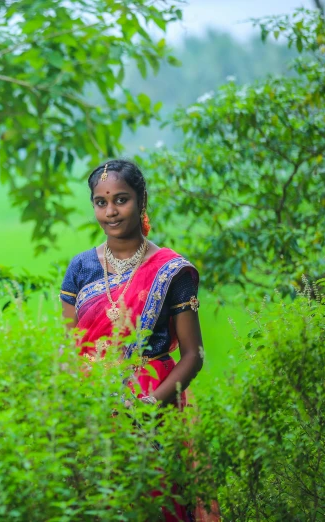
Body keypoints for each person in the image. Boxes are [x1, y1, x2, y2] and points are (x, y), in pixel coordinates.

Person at [60, 160, 217, 521]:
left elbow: (193, 354)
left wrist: (148, 407)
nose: (110, 212)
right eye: (101, 202)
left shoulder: (171, 269)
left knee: (152, 504)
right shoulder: (81, 268)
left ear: (141, 200)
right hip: (91, 408)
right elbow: (69, 349)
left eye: (121, 200)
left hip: (154, 408)